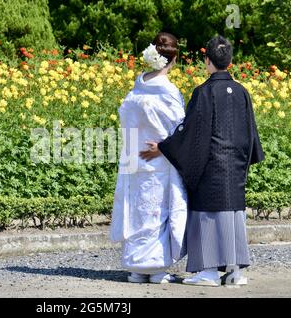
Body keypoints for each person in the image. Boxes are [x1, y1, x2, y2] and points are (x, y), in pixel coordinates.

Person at [140, 35, 265, 286]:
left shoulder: (204, 92)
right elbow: (250, 133)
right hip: (235, 166)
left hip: (211, 166)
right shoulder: (242, 92)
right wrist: (241, 160)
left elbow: (190, 131)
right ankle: (233, 272)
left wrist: (164, 147)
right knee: (233, 214)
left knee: (208, 213)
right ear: (229, 61)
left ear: (207, 60)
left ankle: (208, 272)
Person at [110, 32, 188, 284]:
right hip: (159, 157)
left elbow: (126, 119)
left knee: (137, 210)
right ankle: (155, 268)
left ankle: (136, 268)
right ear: (173, 59)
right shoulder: (168, 91)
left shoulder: (137, 86)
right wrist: (165, 147)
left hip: (135, 156)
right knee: (157, 210)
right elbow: (180, 128)